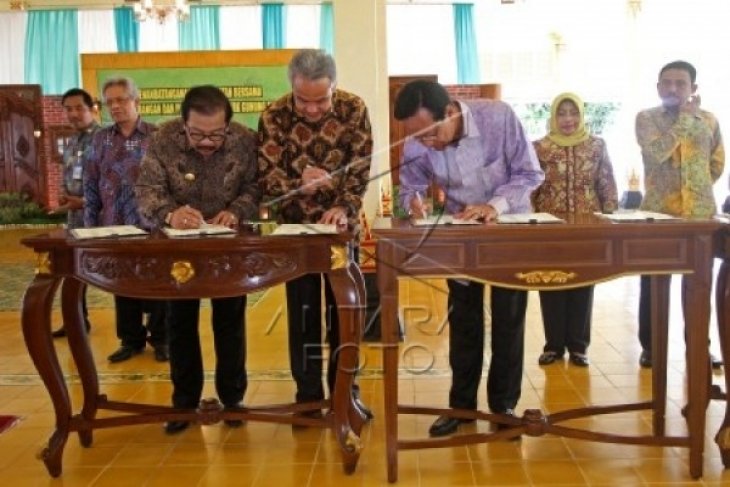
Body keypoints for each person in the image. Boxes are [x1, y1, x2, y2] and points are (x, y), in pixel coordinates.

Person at [394, 79, 544, 437]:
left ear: (449, 112)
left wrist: (493, 206)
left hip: (508, 225)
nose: (426, 144)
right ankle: (461, 407)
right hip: (461, 234)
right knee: (463, 319)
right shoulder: (417, 140)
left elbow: (530, 172)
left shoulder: (498, 117)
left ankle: (503, 408)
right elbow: (409, 184)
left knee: (509, 319)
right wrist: (412, 201)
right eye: (418, 138)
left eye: (430, 135)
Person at [136, 85, 258, 435]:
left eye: (216, 134)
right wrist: (170, 213)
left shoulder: (245, 140)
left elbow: (255, 187)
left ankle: (233, 400)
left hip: (226, 246)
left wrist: (236, 211)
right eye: (198, 134)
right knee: (180, 322)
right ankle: (184, 404)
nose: (207, 142)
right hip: (179, 247)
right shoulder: (162, 139)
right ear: (183, 123)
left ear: (229, 126)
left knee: (230, 320)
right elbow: (146, 191)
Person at [258, 49, 373, 421]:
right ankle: (307, 397)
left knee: (344, 313)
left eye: (321, 100)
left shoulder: (354, 109)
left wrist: (342, 204)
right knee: (303, 314)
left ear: (334, 87)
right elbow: (267, 175)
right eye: (303, 100)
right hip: (296, 233)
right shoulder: (273, 115)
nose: (311, 109)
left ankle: (345, 392)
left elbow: (360, 169)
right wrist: (297, 183)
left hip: (340, 231)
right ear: (291, 87)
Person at [635, 60, 725, 369]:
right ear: (658, 87)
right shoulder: (646, 119)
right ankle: (651, 346)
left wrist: (696, 190)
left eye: (680, 83)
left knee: (698, 285)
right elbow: (655, 153)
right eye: (667, 83)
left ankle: (699, 347)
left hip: (699, 216)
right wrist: (685, 120)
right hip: (658, 215)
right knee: (654, 283)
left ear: (693, 88)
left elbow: (716, 163)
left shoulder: (710, 120)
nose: (673, 88)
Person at [84, 76, 168, 363]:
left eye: (121, 100)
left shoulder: (158, 135)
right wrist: (90, 227)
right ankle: (130, 340)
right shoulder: (101, 139)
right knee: (122, 284)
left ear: (136, 100)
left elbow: (172, 180)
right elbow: (90, 183)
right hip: (114, 225)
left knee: (158, 283)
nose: (115, 107)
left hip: (153, 224)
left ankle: (161, 339)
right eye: (110, 102)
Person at [532, 92, 618, 367]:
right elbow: (532, 186)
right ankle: (554, 346)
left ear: (581, 115)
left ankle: (579, 347)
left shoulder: (596, 146)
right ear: (553, 116)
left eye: (573, 113)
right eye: (561, 113)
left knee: (583, 281)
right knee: (550, 281)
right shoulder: (540, 147)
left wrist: (610, 213)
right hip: (549, 227)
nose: (568, 119)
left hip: (587, 227)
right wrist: (528, 218)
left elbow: (606, 181)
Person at [51, 88, 100, 339]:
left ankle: (143, 333)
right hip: (75, 218)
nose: (73, 114)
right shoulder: (72, 141)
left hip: (102, 220)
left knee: (122, 274)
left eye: (78, 108)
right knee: (70, 271)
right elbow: (70, 176)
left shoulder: (104, 139)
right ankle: (76, 322)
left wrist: (82, 201)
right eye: (68, 109)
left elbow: (112, 184)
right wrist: (63, 195)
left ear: (93, 109)